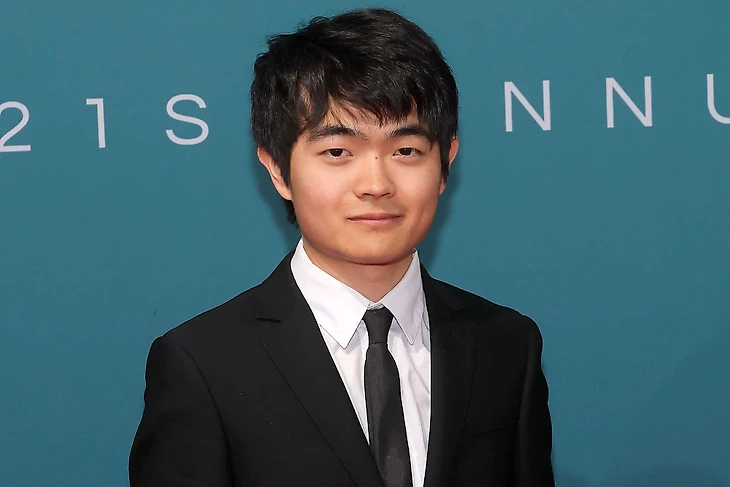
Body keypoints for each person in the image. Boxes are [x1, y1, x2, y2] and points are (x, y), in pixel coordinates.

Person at [129, 7, 554, 487]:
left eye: (406, 151)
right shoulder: (202, 365)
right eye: (338, 152)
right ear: (277, 170)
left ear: (445, 161)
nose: (376, 184)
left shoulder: (507, 345)